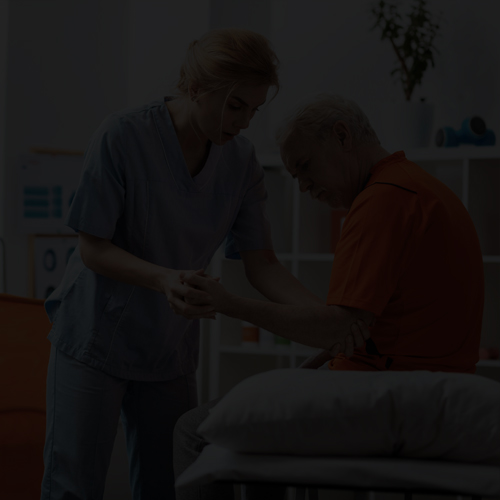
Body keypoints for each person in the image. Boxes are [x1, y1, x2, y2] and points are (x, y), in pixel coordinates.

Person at [40, 31, 365, 500]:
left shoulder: (241, 161)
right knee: (73, 487)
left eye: (253, 110)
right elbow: (92, 248)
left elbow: (264, 265)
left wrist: (328, 320)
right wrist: (163, 278)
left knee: (169, 486)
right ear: (195, 88)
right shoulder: (123, 136)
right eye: (235, 106)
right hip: (93, 336)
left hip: (167, 349)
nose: (244, 122)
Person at [173, 94, 484, 499]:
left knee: (193, 431)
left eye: (304, 167)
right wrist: (329, 345)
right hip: (422, 382)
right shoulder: (421, 188)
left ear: (342, 136)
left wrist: (226, 302)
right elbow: (357, 328)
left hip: (387, 391)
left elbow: (339, 326)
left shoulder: (381, 201)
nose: (303, 188)